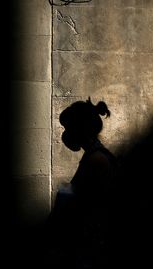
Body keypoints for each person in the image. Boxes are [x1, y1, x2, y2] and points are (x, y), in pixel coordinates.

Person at [50, 97, 117, 269]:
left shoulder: (96, 160)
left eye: (68, 128)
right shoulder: (94, 156)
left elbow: (88, 203)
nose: (65, 133)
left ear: (80, 128)